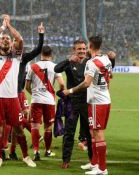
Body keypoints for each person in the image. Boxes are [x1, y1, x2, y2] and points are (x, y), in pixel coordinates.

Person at [0, 10, 45, 161]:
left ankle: (25, 156)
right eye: (3, 39)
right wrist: (1, 28)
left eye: (8, 39)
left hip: (13, 98)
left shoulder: (17, 58)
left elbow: (19, 38)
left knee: (18, 129)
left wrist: (9, 25)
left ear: (12, 44)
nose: (5, 40)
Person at [63, 36, 112, 175]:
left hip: (97, 102)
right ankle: (95, 164)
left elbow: (86, 83)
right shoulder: (106, 59)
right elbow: (110, 78)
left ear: (90, 46)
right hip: (104, 99)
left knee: (98, 134)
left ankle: (102, 169)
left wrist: (70, 90)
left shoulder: (92, 62)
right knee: (92, 133)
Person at [54, 40, 93, 168]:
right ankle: (66, 160)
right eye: (79, 49)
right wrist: (68, 60)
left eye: (83, 49)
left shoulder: (90, 62)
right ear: (74, 50)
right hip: (71, 103)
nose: (82, 51)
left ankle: (93, 160)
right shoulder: (69, 63)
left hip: (86, 102)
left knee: (88, 133)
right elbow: (56, 68)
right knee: (69, 132)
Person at [26, 46, 65, 161]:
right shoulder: (55, 67)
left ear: (41, 54)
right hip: (49, 101)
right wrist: (57, 93)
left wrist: (34, 94)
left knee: (34, 126)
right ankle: (47, 151)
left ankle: (36, 151)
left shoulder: (33, 67)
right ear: (51, 55)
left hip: (36, 100)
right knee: (48, 128)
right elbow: (62, 84)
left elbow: (27, 86)